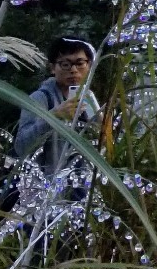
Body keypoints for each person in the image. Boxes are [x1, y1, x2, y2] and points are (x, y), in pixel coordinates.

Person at [15, 37, 101, 176]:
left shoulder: (88, 96)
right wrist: (54, 117)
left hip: (82, 187)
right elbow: (22, 146)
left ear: (89, 65)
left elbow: (101, 142)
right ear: (52, 68)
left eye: (80, 63)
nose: (73, 70)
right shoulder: (39, 98)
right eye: (65, 64)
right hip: (46, 189)